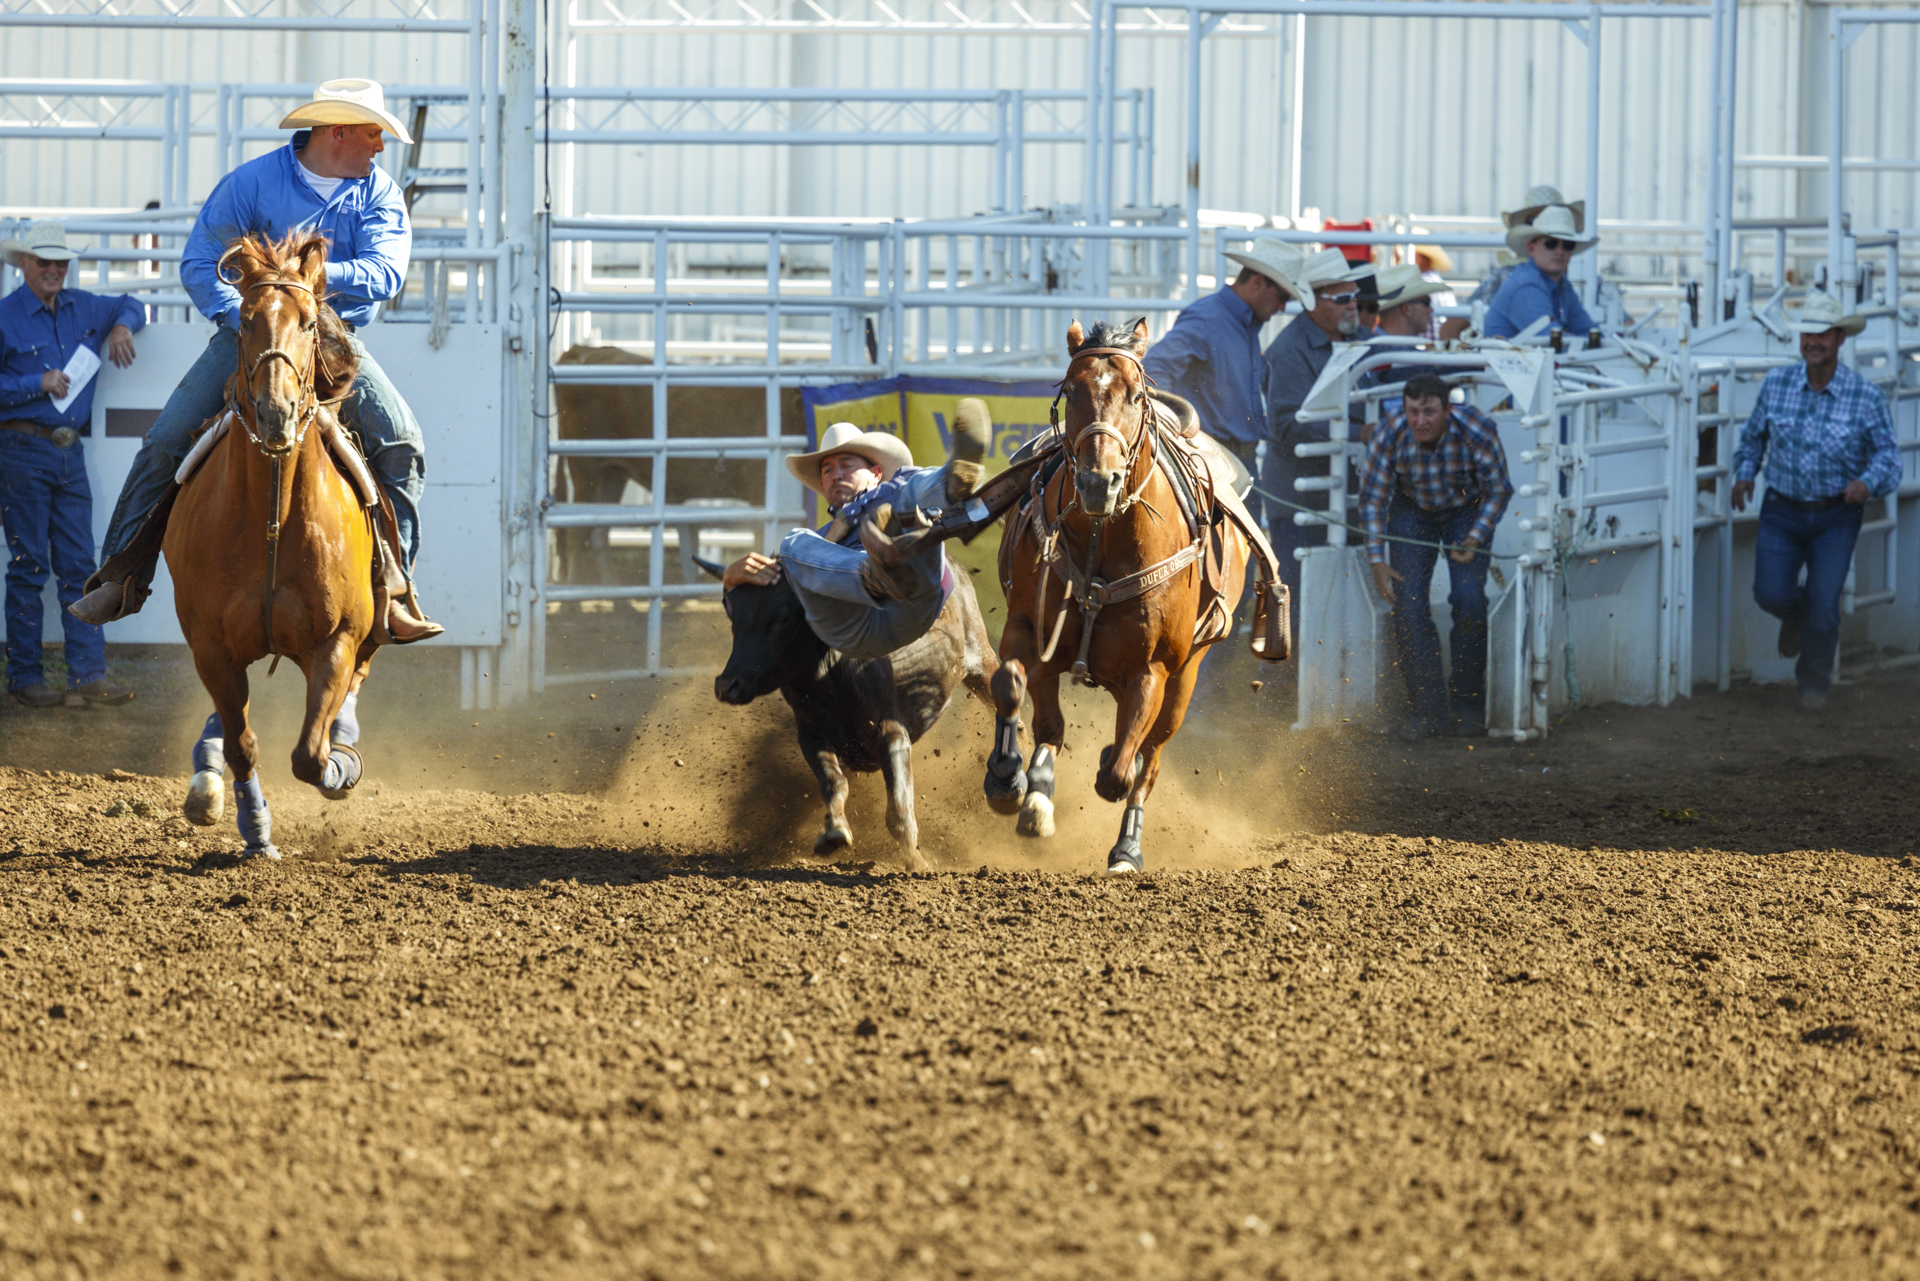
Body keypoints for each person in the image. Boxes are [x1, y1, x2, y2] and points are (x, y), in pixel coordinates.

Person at [69, 78, 440, 643]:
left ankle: (395, 589)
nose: (380, 147)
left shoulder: (378, 193)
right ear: (337, 132)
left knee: (401, 441)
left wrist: (299, 281)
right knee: (167, 438)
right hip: (252, 333)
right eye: (373, 133)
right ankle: (121, 574)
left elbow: (386, 273)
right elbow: (199, 262)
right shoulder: (250, 184)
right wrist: (248, 316)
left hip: (333, 337)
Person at [1731, 291, 1899, 711]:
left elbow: (1888, 458)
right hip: (1783, 507)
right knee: (1769, 593)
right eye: (1808, 332)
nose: (1813, 341)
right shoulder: (1777, 384)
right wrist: (1745, 472)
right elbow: (1753, 437)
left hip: (1836, 514)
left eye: (1822, 333)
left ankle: (1813, 687)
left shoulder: (1865, 395)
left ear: (1839, 338)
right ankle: (1797, 614)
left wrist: (1867, 482)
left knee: (1825, 605)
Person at [721, 403, 990, 659]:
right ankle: (872, 573)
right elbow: (771, 602)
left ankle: (952, 481)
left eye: (847, 465)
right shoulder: (818, 541)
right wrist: (730, 583)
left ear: (876, 473)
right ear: (823, 484)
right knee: (794, 542)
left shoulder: (896, 490)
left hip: (913, 599)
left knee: (910, 488)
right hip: (855, 623)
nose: (836, 474)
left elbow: (908, 488)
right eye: (827, 470)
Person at [0, 221, 142, 708]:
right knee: (30, 564)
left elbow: (131, 304)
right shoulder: (4, 317)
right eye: (45, 262)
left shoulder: (86, 306)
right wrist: (34, 383)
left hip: (64, 452)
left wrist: (123, 326)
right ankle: (26, 677)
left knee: (77, 563)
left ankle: (83, 677)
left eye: (61, 262)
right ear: (25, 265)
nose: (55, 270)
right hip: (24, 450)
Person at [1359, 374, 1513, 741]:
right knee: (1407, 605)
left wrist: (1476, 535)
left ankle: (1469, 706)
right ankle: (1427, 711)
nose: (1421, 421)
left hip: (1467, 510)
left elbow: (1498, 489)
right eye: (1414, 412)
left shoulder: (1477, 428)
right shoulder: (1390, 433)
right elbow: (1372, 500)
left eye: (1429, 412)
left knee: (1469, 598)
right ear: (1405, 410)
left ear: (1447, 410)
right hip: (1412, 510)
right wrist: (1378, 561)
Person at [1143, 239, 1310, 532]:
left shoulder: (1237, 321)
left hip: (1230, 463)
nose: (1283, 307)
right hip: (1211, 462)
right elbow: (1155, 370)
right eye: (1283, 296)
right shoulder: (1210, 318)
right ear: (1258, 282)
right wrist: (1178, 435)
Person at [1260, 247, 1371, 612]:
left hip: (1340, 494)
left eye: (1354, 296)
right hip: (1301, 501)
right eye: (1342, 298)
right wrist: (1359, 437)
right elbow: (1288, 427)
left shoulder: (1355, 341)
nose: (1352, 305)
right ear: (1312, 301)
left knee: (1336, 604)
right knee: (1300, 604)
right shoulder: (1289, 351)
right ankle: (1284, 671)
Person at [1483, 204, 1598, 341]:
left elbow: (1588, 332)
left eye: (1567, 244)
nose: (1560, 251)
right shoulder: (1525, 286)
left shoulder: (1561, 284)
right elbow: (1555, 343)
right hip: (1509, 361)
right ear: (1531, 248)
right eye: (1550, 244)